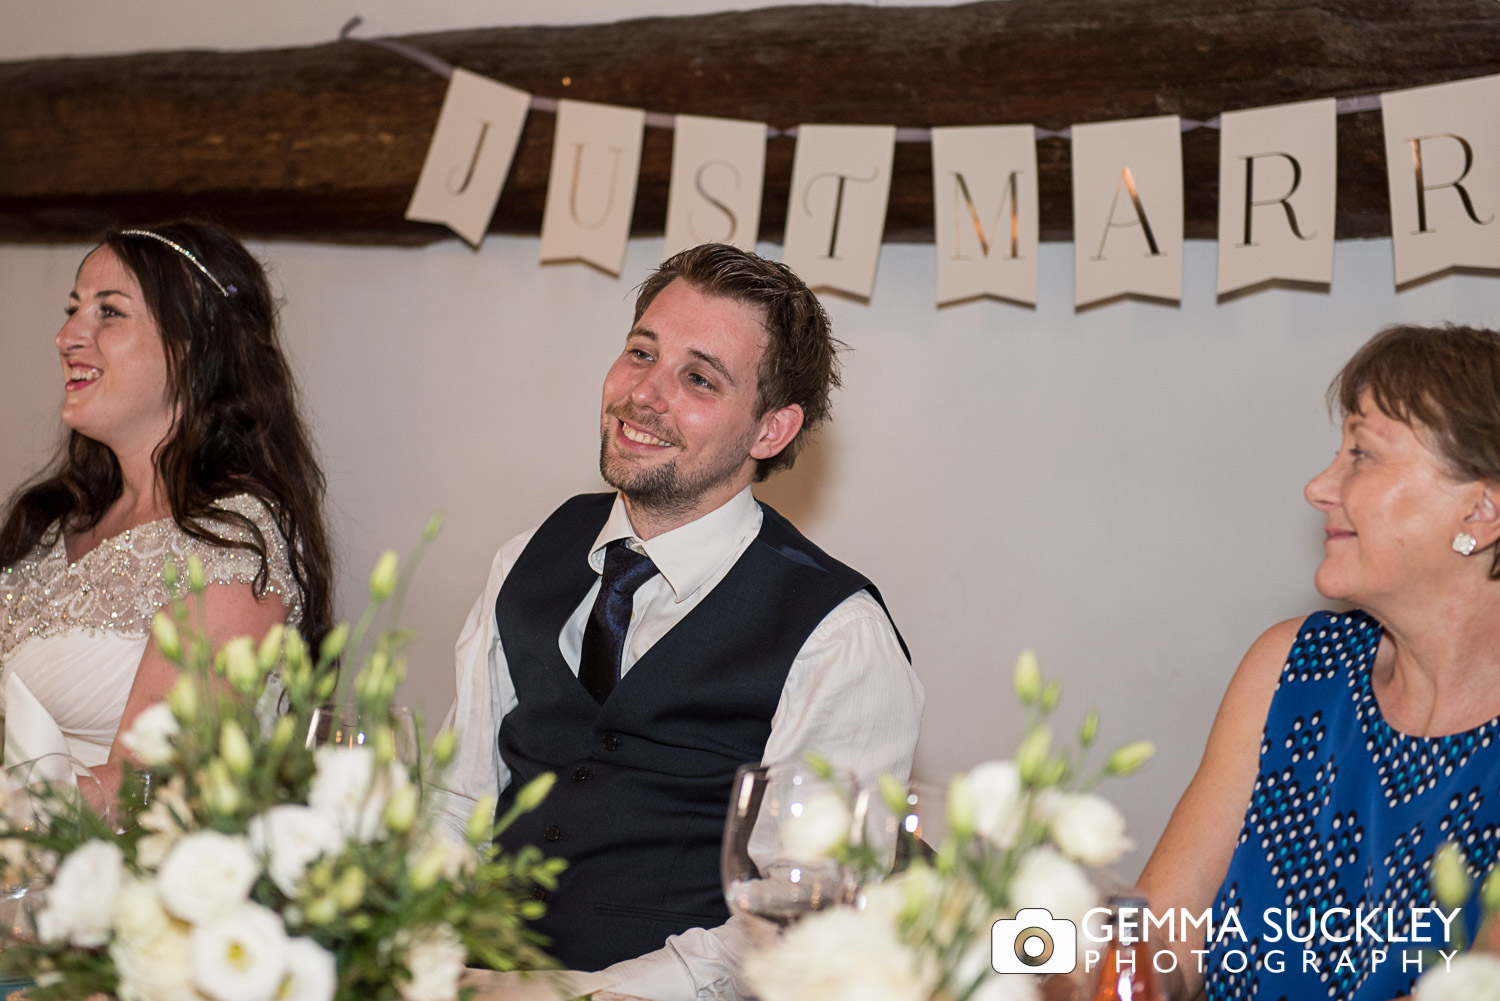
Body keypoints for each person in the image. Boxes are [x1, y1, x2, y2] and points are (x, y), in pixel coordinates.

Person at [440, 243, 923, 999]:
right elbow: (456, 800)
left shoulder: (837, 636)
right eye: (641, 352)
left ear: (771, 430)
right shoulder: (525, 559)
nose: (644, 394)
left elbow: (795, 923)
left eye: (699, 377)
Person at [1138, 324, 1500, 1001]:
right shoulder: (1292, 668)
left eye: (1362, 454)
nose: (1318, 486)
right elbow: (1163, 934)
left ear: (1480, 510)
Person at [0, 221, 334, 793]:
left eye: (109, 312)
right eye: (73, 308)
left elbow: (147, 790)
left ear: (195, 346)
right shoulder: (54, 522)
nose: (67, 336)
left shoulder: (230, 543)